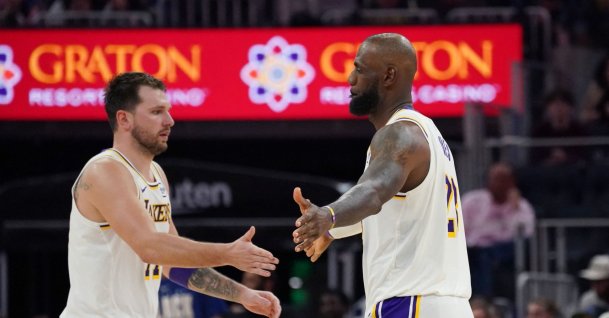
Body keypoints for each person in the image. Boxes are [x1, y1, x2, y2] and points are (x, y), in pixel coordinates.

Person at [60, 72, 281, 318]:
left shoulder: (156, 174)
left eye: (168, 110)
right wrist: (227, 253)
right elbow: (150, 247)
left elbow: (171, 263)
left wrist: (242, 294)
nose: (170, 120)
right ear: (124, 119)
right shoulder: (105, 171)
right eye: (156, 112)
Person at [291, 33, 473, 317]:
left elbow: (374, 192)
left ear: (389, 76)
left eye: (360, 69)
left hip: (410, 302)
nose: (351, 79)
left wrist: (330, 213)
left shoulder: (399, 134)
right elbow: (393, 211)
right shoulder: (429, 134)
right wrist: (332, 228)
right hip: (446, 305)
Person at [461, 162, 535, 297]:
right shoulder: (472, 200)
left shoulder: (521, 206)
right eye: (495, 179)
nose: (498, 183)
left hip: (504, 250)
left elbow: (525, 233)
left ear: (512, 182)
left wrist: (514, 209)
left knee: (488, 256)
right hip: (472, 249)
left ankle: (485, 298)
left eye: (503, 179)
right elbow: (459, 227)